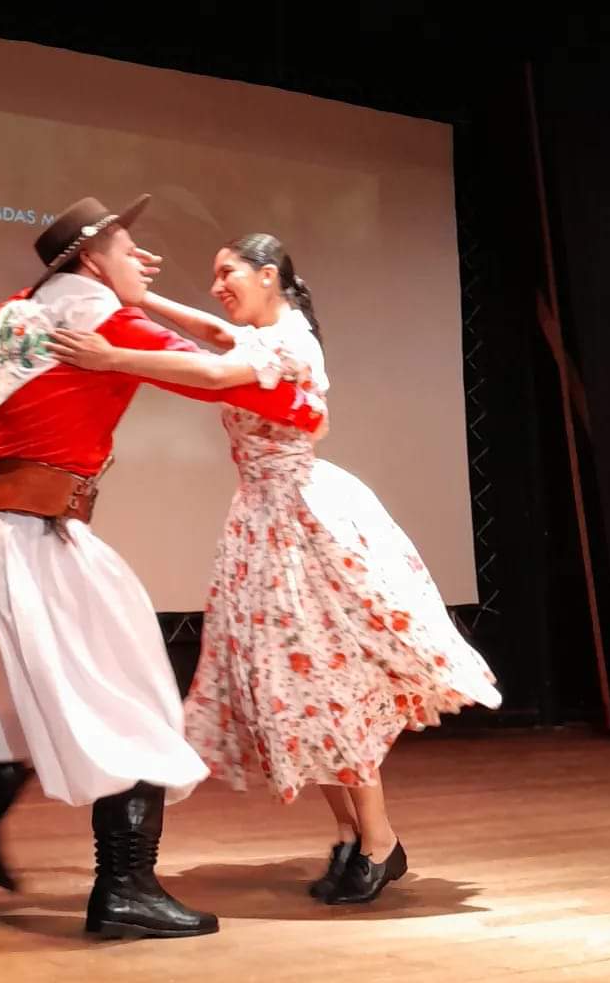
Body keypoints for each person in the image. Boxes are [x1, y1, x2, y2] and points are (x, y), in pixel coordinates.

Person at [48, 232, 501, 907]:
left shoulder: (291, 341)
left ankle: (378, 841)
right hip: (264, 522)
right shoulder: (262, 333)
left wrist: (114, 353)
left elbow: (209, 373)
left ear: (268, 275)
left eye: (227, 273)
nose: (218, 286)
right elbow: (210, 332)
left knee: (324, 678)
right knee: (295, 685)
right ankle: (354, 836)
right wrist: (147, 302)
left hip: (301, 523)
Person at [0, 200, 326, 940]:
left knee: (21, 691)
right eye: (131, 249)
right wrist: (298, 390)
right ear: (89, 259)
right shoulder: (100, 323)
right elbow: (225, 379)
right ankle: (124, 886)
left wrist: (157, 314)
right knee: (132, 701)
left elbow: (172, 337)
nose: (147, 262)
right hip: (39, 535)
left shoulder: (18, 308)